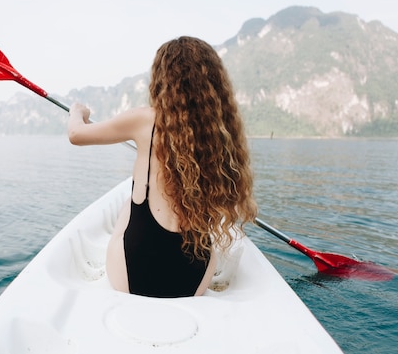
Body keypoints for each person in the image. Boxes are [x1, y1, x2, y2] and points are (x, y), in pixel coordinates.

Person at [68, 36, 257, 298]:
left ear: (162, 79)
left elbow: (76, 135)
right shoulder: (220, 135)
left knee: (130, 201)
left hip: (133, 277)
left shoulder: (145, 120)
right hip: (192, 282)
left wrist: (78, 112)